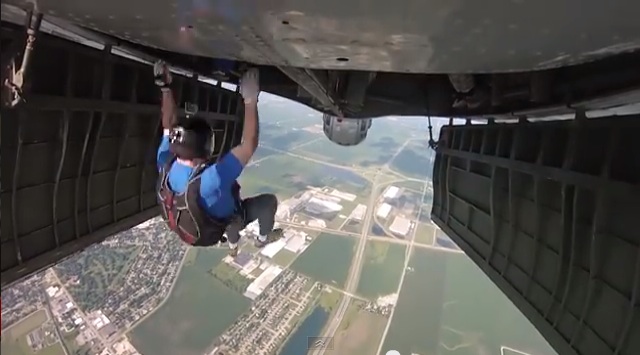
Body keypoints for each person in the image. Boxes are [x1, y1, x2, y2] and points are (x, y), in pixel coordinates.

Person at [154, 61, 283, 256]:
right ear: (206, 147)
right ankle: (262, 239)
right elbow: (250, 143)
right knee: (266, 204)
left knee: (229, 218)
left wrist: (165, 88)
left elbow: (168, 123)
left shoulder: (165, 162)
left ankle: (233, 247)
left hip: (195, 225)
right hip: (216, 223)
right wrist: (250, 99)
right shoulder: (211, 179)